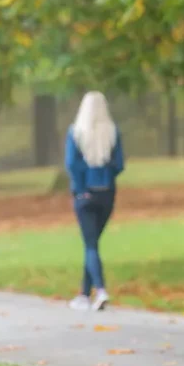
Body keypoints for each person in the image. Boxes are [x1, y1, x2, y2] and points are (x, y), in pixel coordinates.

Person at [65, 91, 125, 312]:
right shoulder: (112, 133)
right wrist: (105, 176)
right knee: (92, 244)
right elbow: (119, 164)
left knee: (91, 244)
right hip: (106, 193)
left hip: (84, 194)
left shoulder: (76, 132)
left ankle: (100, 290)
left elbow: (72, 163)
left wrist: (81, 187)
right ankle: (83, 294)